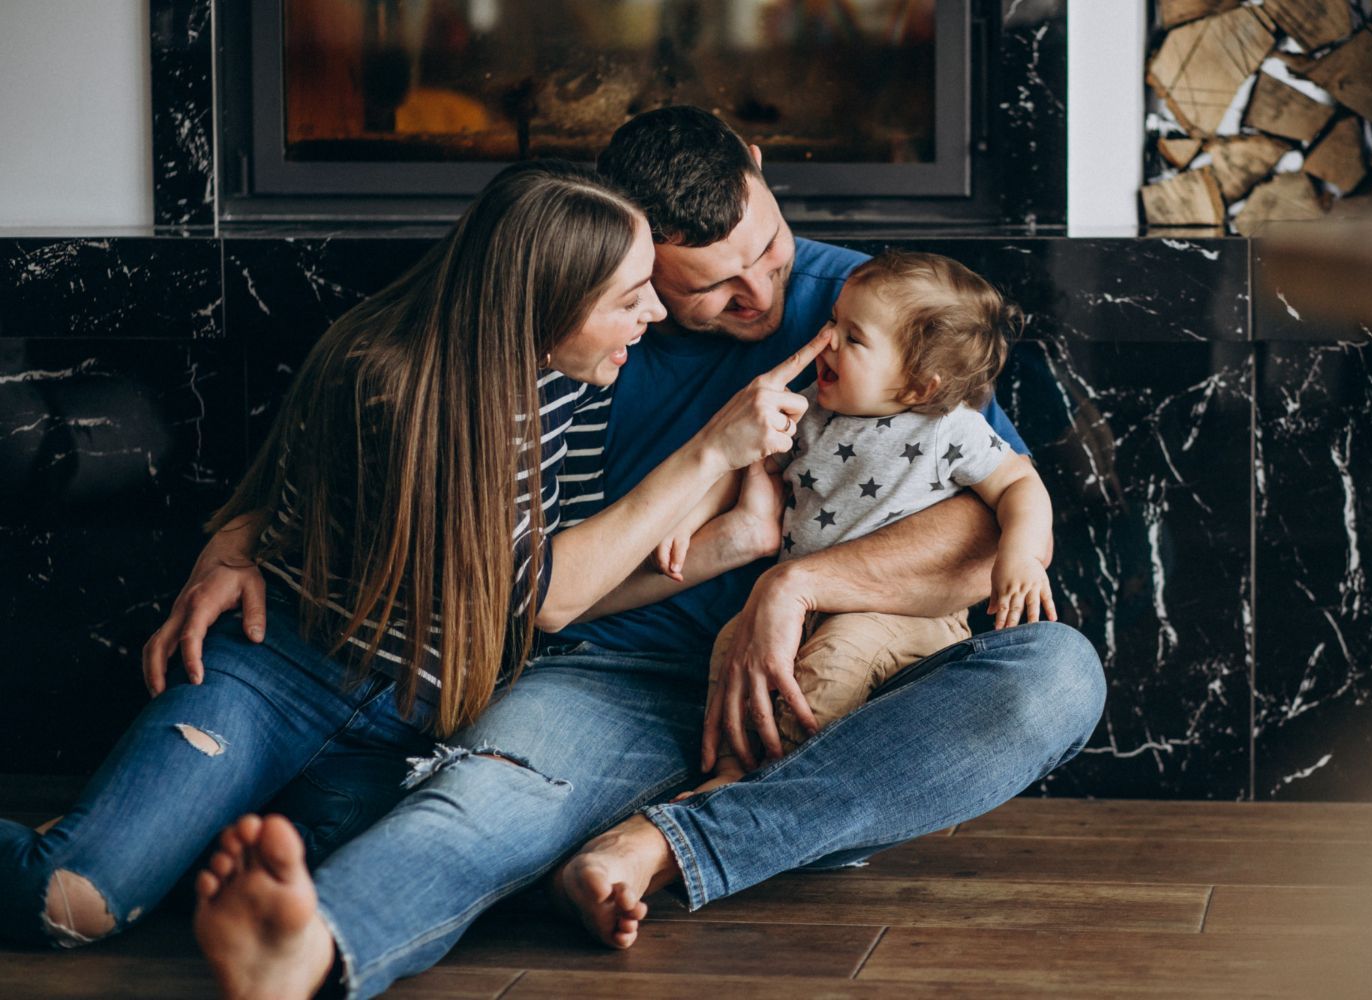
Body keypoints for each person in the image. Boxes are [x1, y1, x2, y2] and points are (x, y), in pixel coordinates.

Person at [186, 107, 1106, 1000]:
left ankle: (660, 847)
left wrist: (792, 586)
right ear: (626, 246)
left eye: (767, 247)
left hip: (832, 686)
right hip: (618, 675)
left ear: (756, 165)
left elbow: (990, 526)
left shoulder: (877, 307)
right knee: (485, 799)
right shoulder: (566, 316)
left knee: (1057, 673)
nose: (765, 295)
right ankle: (316, 946)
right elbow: (379, 404)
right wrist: (242, 527)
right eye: (711, 286)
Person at [0, 160, 811, 954]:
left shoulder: (573, 373)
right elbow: (549, 598)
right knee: (73, 904)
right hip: (279, 675)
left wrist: (727, 546)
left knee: (336, 884)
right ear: (543, 303)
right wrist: (708, 455)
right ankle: (112, 848)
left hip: (415, 724)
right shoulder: (386, 381)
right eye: (630, 299)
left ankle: (149, 839)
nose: (655, 316)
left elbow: (518, 591)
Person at [660, 249, 1059, 793]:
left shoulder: (947, 428)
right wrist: (687, 517)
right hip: (807, 606)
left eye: (854, 338)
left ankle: (775, 788)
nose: (827, 342)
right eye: (832, 324)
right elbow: (740, 463)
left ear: (919, 385)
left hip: (903, 611)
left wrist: (1022, 554)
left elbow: (1019, 484)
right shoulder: (809, 410)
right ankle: (732, 769)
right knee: (736, 639)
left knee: (835, 660)